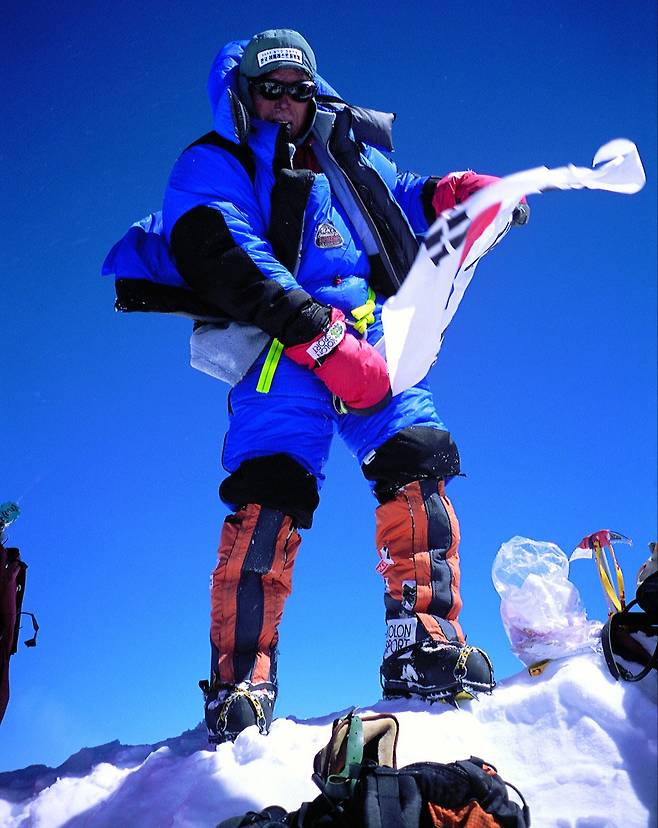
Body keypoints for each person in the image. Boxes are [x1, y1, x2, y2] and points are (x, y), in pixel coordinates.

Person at [106, 28, 527, 745]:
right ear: (243, 94)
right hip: (281, 349)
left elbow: (399, 203)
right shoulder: (214, 164)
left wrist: (456, 196)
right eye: (270, 89)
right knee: (268, 499)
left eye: (299, 89)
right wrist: (320, 340)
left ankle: (423, 637)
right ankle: (242, 677)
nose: (286, 104)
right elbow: (223, 247)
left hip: (365, 334)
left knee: (416, 459)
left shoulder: (342, 155)